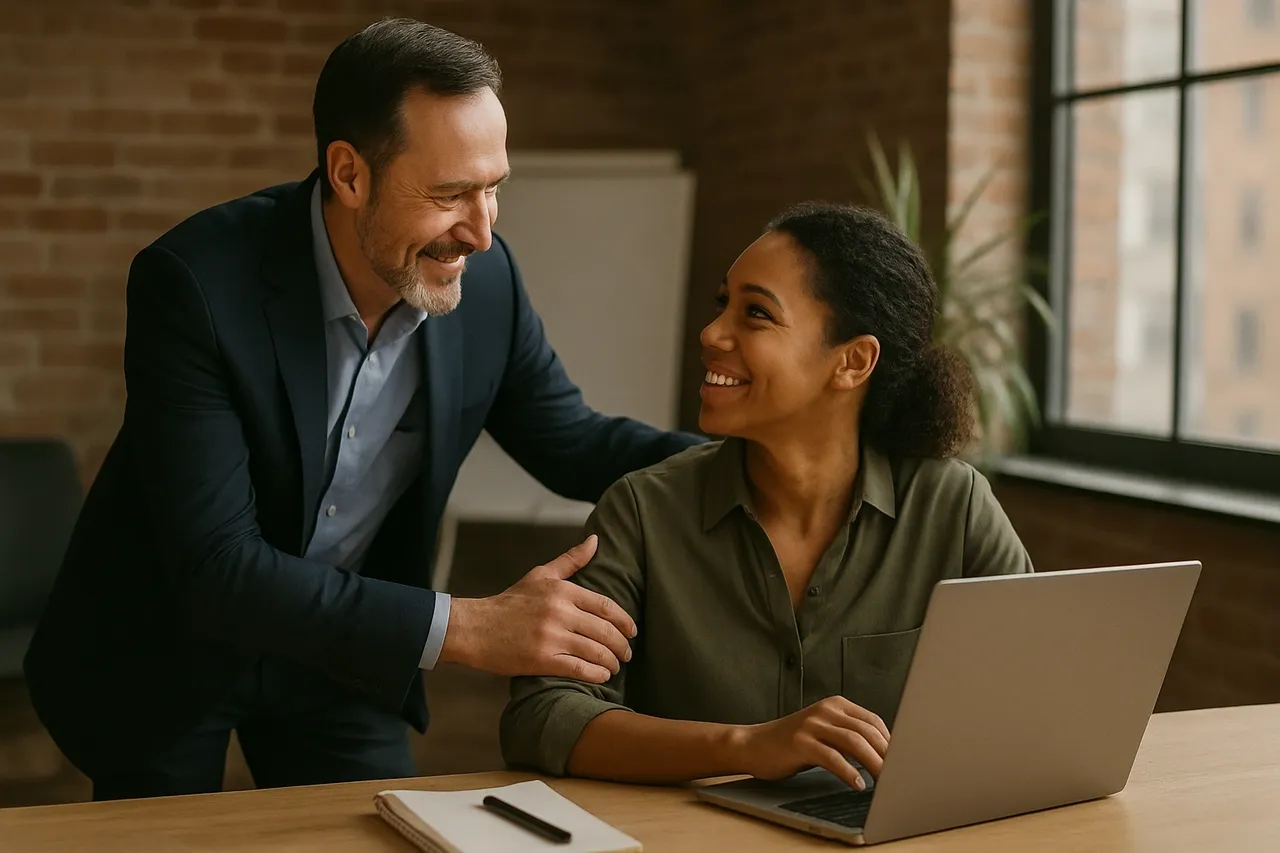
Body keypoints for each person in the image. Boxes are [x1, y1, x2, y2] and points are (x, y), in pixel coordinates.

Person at [22, 19, 701, 801]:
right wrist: (471, 628)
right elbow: (217, 569)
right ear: (348, 173)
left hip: (342, 649)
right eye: (449, 194)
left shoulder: (489, 279)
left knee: (386, 833)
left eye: (494, 189)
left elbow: (571, 441)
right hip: (173, 640)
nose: (481, 233)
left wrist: (760, 458)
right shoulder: (195, 283)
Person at [500, 202, 1034, 791]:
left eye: (755, 314)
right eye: (721, 303)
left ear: (853, 362)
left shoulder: (953, 509)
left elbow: (1032, 700)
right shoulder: (643, 511)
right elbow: (543, 715)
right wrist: (745, 745)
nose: (710, 333)